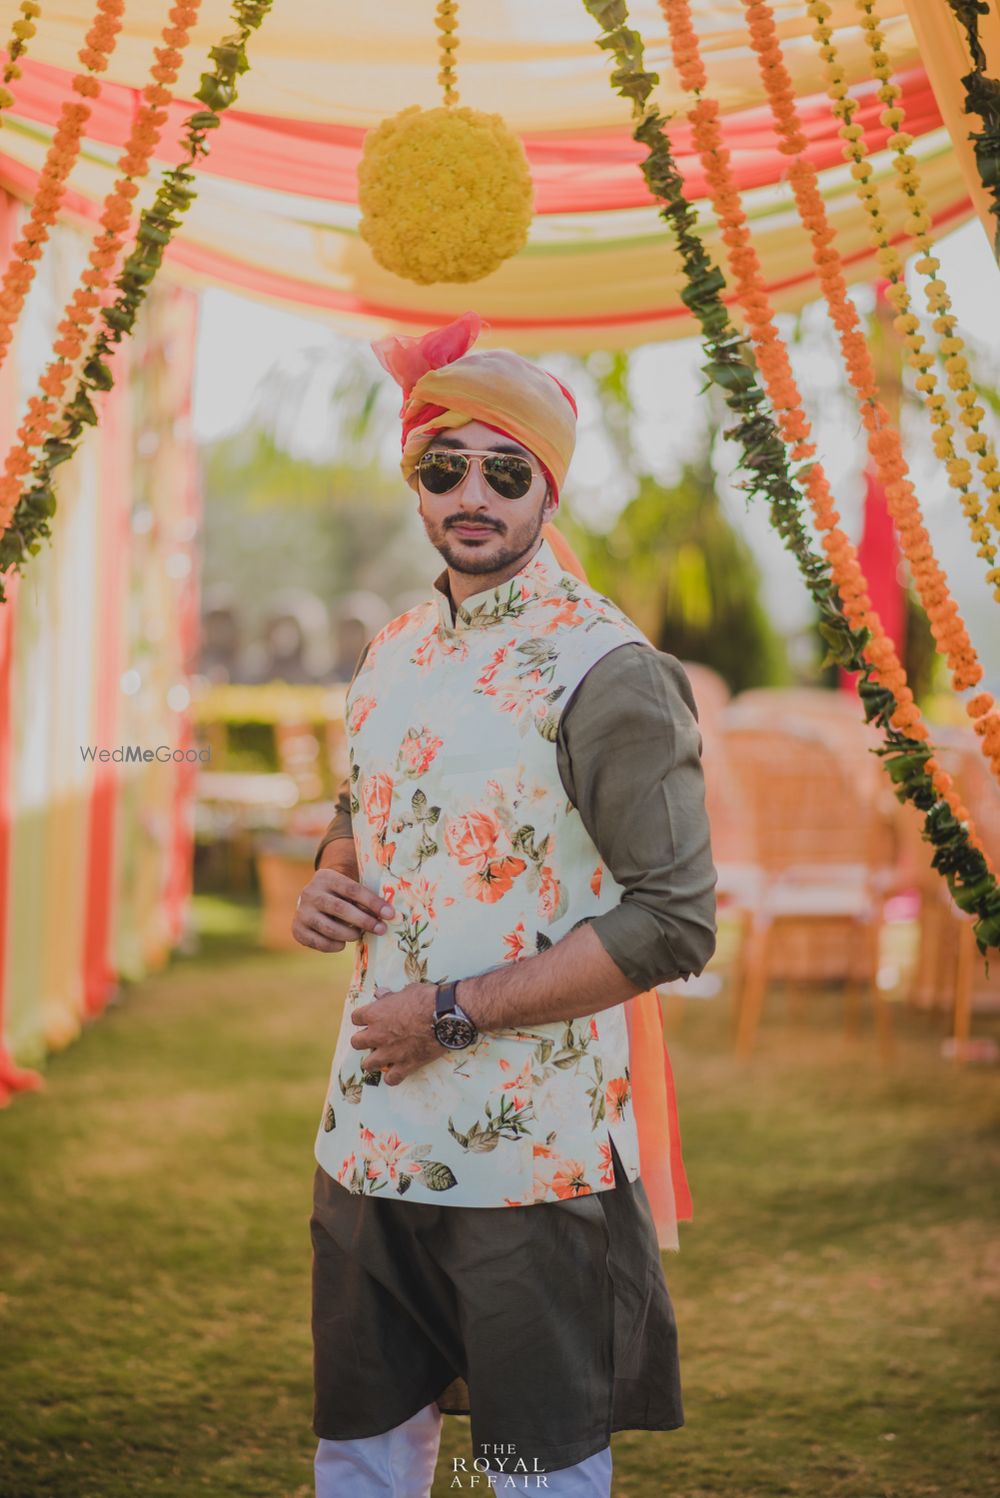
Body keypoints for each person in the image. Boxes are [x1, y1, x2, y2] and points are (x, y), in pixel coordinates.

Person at [293, 311, 717, 1497]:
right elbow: (359, 800)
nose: (471, 492)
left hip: (531, 1156)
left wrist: (456, 1012)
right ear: (414, 480)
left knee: (539, 1469)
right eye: (445, 465)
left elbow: (675, 918)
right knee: (363, 1454)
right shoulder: (389, 648)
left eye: (504, 468)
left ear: (548, 489)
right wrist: (329, 871)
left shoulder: (610, 669)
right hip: (367, 1135)